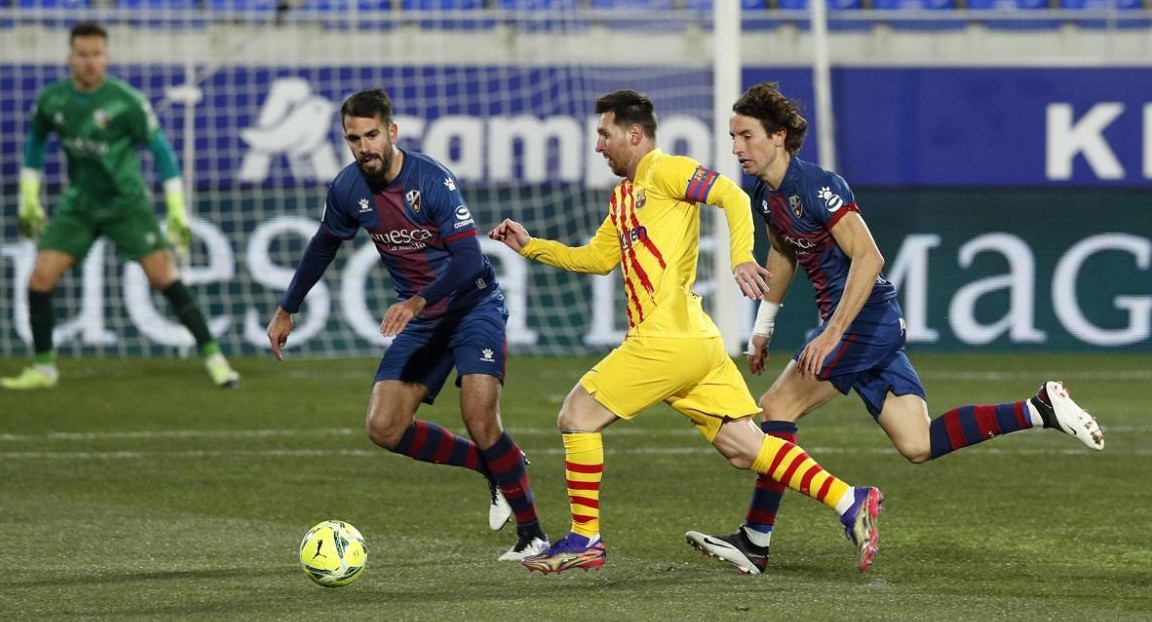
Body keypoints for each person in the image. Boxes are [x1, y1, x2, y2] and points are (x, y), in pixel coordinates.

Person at [684, 81, 1105, 575]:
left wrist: (834, 332)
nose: (736, 148)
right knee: (918, 443)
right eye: (732, 137)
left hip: (863, 321)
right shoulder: (764, 196)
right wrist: (764, 327)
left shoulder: (819, 186)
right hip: (864, 326)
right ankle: (1038, 410)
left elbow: (869, 257)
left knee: (777, 406)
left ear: (778, 137)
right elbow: (782, 255)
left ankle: (756, 539)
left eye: (746, 136)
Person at [488, 89, 883, 576]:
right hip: (694, 343)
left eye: (604, 135)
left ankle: (585, 536)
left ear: (634, 135)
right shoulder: (624, 197)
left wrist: (741, 254)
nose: (598, 147)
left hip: (665, 339)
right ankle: (850, 499)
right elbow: (595, 258)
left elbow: (732, 195)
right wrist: (531, 247)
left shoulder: (664, 169)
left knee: (576, 416)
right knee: (746, 448)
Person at [266, 88, 549, 561]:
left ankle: (533, 534)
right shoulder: (347, 189)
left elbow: (467, 259)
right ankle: (495, 465)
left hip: (471, 306)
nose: (364, 147)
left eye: (372, 135)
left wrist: (418, 301)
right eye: (353, 139)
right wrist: (287, 307)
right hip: (423, 319)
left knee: (480, 417)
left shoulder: (431, 180)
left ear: (391, 132)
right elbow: (323, 246)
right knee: (384, 426)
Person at [3, 22, 239, 391]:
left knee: (165, 278)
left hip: (126, 205)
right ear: (70, 57)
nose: (89, 61)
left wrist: (177, 210)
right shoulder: (52, 100)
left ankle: (215, 359)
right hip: (78, 205)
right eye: (82, 54)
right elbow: (35, 144)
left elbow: (162, 154)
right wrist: (28, 199)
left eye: (96, 54)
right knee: (40, 279)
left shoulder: (125, 101)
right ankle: (45, 368)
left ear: (106, 57)